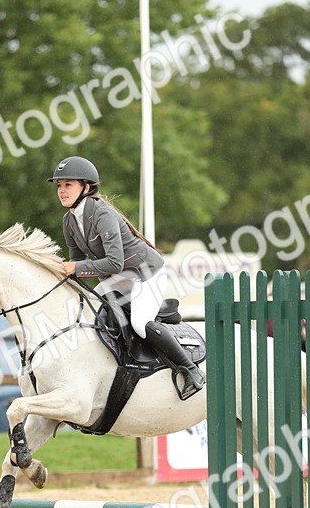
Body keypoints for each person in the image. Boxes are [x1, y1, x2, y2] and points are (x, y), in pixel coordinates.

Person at [50, 155, 205, 398]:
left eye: (68, 184)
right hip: (118, 276)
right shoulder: (69, 220)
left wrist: (75, 268)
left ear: (86, 187)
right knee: (83, 310)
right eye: (59, 185)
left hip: (145, 273)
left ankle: (191, 369)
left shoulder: (102, 214)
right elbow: (78, 260)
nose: (61, 190)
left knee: (140, 323)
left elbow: (113, 261)